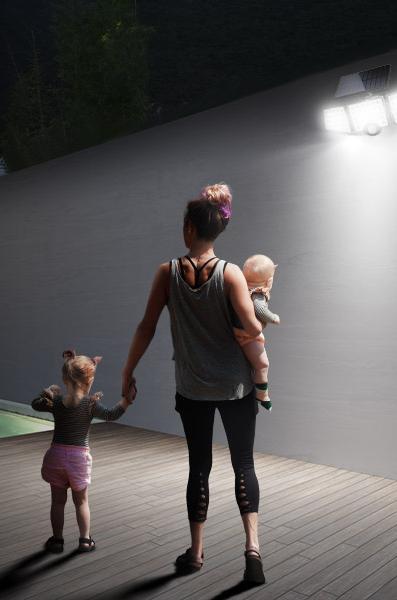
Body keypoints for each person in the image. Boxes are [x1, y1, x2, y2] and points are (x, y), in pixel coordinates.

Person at [122, 183, 267, 584]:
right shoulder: (231, 273)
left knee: (198, 467)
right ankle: (252, 547)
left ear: (189, 228)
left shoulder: (167, 272)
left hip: (192, 389)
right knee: (244, 463)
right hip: (236, 387)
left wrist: (126, 371)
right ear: (217, 230)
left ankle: (197, 551)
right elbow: (253, 327)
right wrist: (257, 301)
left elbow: (146, 327)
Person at [32, 350, 134, 554]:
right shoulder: (89, 405)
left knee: (58, 502)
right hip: (78, 460)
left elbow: (35, 405)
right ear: (90, 381)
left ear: (64, 378)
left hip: (57, 457)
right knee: (81, 502)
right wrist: (127, 400)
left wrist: (47, 391)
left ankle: (57, 540)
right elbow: (111, 414)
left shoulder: (56, 402)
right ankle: (85, 540)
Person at [233, 254, 280, 411]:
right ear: (269, 281)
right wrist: (274, 318)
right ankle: (262, 394)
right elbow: (261, 311)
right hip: (247, 336)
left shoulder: (240, 289)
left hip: (236, 331)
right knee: (262, 364)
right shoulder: (257, 294)